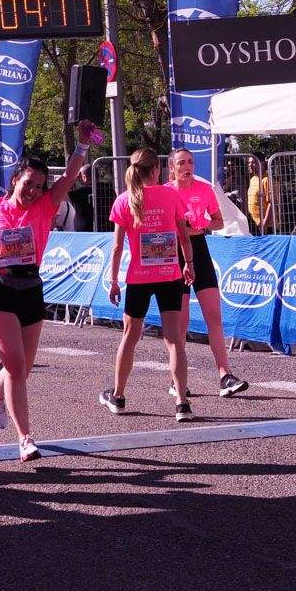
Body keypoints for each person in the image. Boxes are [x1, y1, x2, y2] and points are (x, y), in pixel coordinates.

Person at [0, 123, 95, 461]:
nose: (33, 191)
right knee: (14, 361)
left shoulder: (44, 207)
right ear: (15, 180)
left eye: (39, 187)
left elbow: (69, 177)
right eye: (28, 184)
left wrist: (83, 145)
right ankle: (26, 438)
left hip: (30, 288)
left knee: (20, 369)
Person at [101, 148, 198, 422]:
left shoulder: (123, 200)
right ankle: (181, 402)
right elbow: (184, 236)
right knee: (175, 341)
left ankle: (118, 396)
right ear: (156, 170)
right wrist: (188, 265)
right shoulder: (171, 195)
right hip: (169, 275)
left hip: (139, 279)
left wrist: (113, 280)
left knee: (130, 337)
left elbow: (117, 247)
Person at [166, 149, 249, 398]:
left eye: (190, 162)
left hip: (200, 250)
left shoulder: (204, 189)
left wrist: (200, 225)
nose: (187, 166)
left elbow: (219, 221)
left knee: (214, 315)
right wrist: (181, 228)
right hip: (175, 252)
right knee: (180, 321)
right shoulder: (166, 192)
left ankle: (225, 375)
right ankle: (176, 380)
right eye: (181, 163)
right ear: (172, 168)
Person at [246, 156, 274, 234]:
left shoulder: (267, 180)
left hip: (265, 226)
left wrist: (264, 223)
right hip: (253, 224)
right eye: (249, 163)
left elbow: (271, 204)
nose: (250, 165)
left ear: (261, 163)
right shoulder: (253, 179)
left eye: (253, 163)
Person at [68, 165, 95, 232]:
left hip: (84, 233)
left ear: (84, 177)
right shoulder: (108, 189)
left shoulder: (79, 193)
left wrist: (74, 178)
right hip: (106, 231)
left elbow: (63, 191)